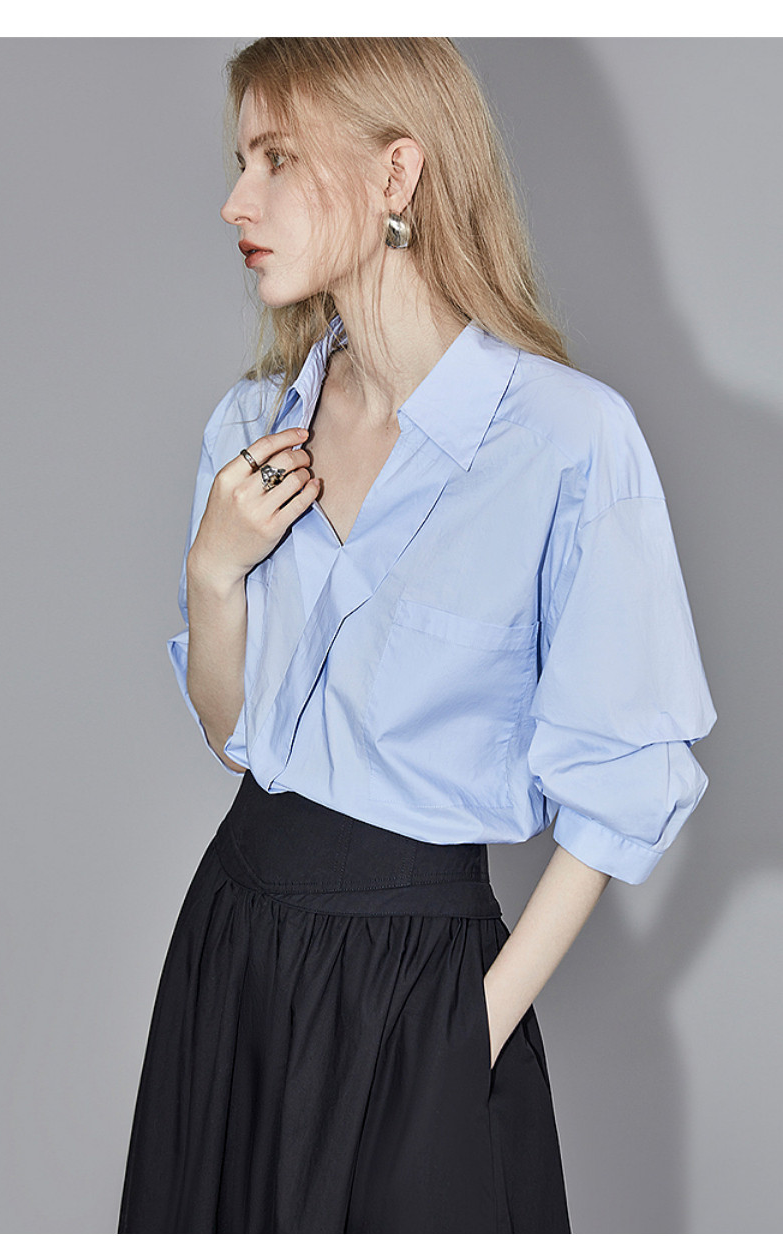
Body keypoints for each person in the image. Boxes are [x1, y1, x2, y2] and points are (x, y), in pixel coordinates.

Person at [117, 36, 717, 1235]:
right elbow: (236, 740)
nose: (236, 201)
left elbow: (624, 782)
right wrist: (213, 572)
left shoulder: (567, 442)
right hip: (235, 949)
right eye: (239, 160)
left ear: (397, 172)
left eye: (276, 159)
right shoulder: (252, 426)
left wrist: (469, 1029)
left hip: (418, 988)